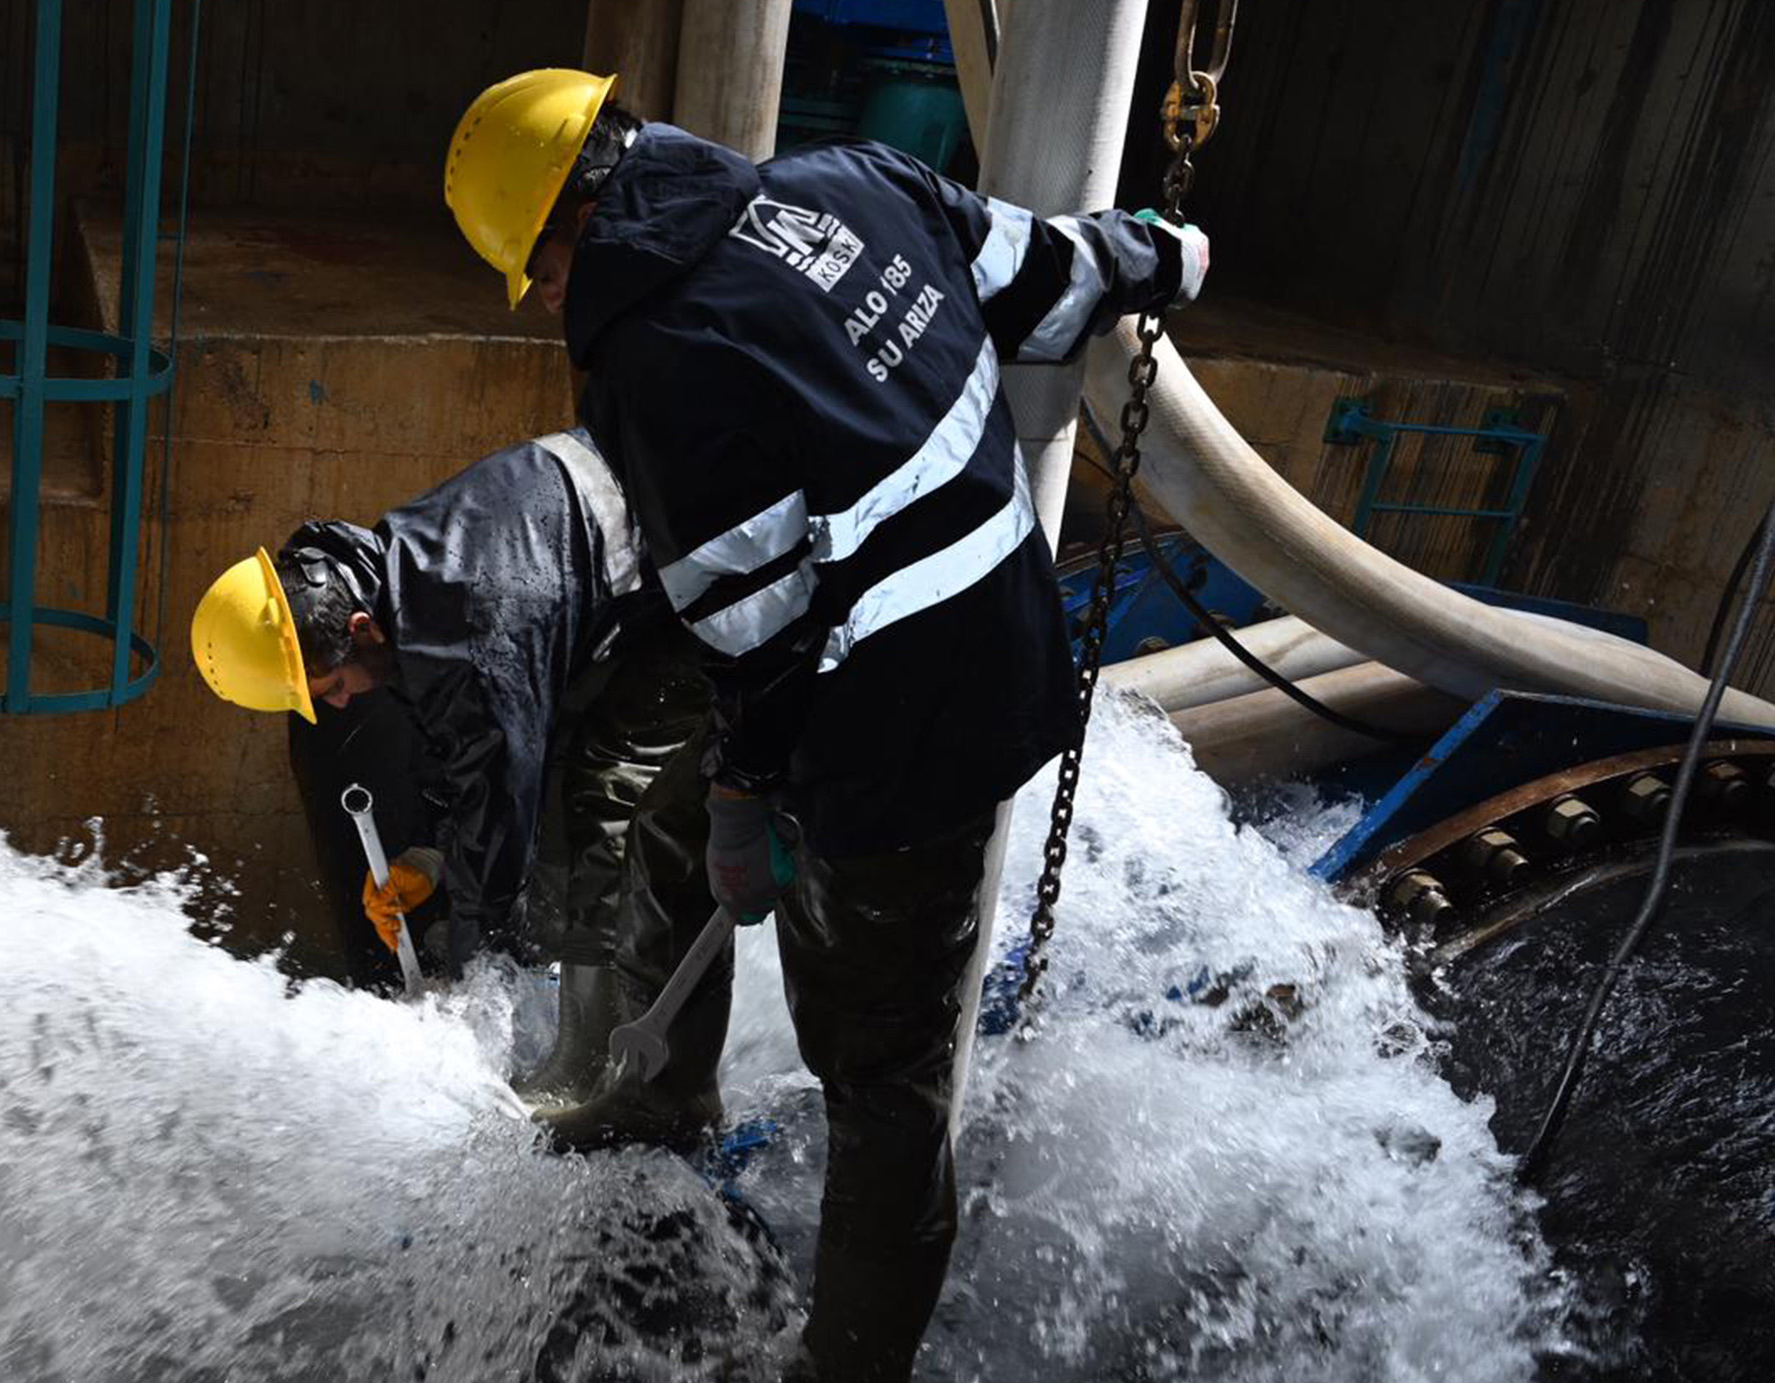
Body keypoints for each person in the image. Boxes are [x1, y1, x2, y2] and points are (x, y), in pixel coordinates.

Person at [442, 69, 1210, 1382]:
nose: (553, 300)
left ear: (577, 225)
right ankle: (662, 1088)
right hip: (984, 636)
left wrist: (754, 787)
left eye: (544, 271)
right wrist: (1167, 256)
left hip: (913, 738)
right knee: (670, 826)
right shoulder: (850, 183)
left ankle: (852, 1362)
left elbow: (755, 623)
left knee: (885, 1072)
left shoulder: (655, 362)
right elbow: (1052, 273)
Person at [189, 429, 710, 1105]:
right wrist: (431, 856)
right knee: (548, 800)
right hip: (606, 567)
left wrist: (468, 997)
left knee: (606, 796)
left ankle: (601, 1071)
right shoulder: (394, 574)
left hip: (698, 579)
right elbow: (464, 751)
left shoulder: (469, 633)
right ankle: (576, 997)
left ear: (358, 628)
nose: (342, 701)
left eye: (335, 685)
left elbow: (497, 820)